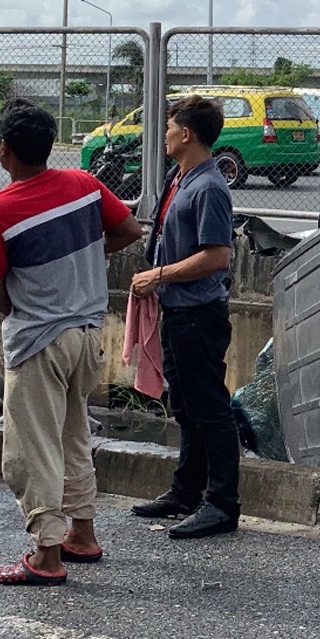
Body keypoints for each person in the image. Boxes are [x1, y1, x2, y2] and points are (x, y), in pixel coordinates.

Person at [0, 99, 143, 585]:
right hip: (88, 338)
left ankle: (46, 555)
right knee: (73, 436)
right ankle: (82, 532)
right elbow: (128, 228)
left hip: (39, 341)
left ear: (3, 150)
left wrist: (21, 311)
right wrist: (84, 258)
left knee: (32, 449)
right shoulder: (82, 186)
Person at [130, 96, 240, 540]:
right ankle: (186, 490)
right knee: (187, 407)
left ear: (187, 133)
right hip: (176, 310)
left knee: (211, 409)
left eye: (170, 126)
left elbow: (216, 256)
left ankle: (222, 503)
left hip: (198, 313)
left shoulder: (210, 187)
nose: (166, 133)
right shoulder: (180, 179)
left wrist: (159, 274)